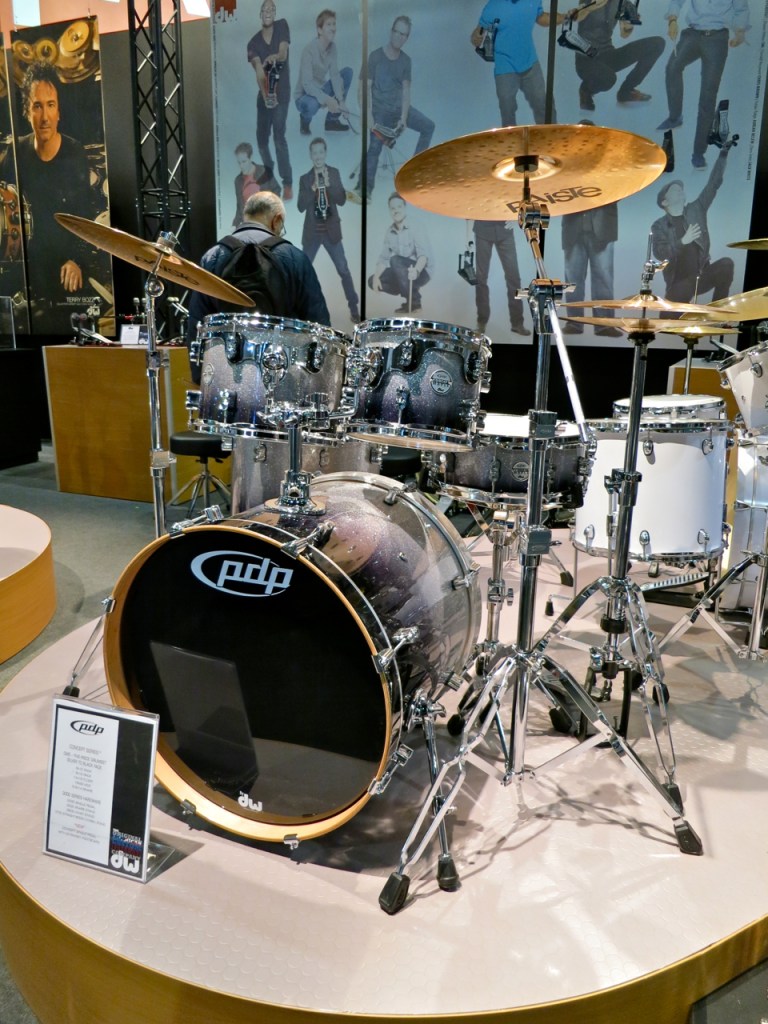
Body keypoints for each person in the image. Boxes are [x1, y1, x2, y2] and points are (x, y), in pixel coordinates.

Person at [186, 191, 330, 380]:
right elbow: (318, 325)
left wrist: (200, 378)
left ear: (246, 215)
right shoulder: (295, 258)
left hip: (226, 377)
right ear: (277, 220)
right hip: (282, 377)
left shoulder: (213, 256)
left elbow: (197, 323)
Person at [15, 61, 96, 325]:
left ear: (59, 111)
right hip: (27, 272)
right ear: (27, 111)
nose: (44, 117)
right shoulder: (15, 154)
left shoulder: (75, 154)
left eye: (50, 105)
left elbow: (86, 218)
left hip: (65, 268)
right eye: (37, 106)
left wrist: (77, 260)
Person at [349, 15, 434, 204]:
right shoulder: (375, 57)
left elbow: (406, 91)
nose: (398, 37)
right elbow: (363, 88)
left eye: (403, 34)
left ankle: (413, 174)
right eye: (396, 32)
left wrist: (403, 118)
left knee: (428, 126)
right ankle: (363, 190)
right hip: (379, 111)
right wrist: (368, 115)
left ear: (407, 38)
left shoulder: (406, 61)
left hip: (398, 109)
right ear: (391, 32)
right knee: (374, 147)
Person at [657, 0, 750, 169]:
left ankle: (698, 153)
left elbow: (741, 9)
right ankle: (675, 117)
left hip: (717, 39)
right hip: (692, 34)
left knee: (708, 95)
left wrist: (740, 32)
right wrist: (672, 20)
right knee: (672, 68)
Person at [469, 1, 589, 126]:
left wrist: (566, 17)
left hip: (530, 62)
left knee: (544, 105)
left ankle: (550, 135)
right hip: (505, 66)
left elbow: (541, 17)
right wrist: (475, 38)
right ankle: (511, 138)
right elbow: (478, 33)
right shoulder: (493, 7)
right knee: (507, 108)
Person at [650, 146, 733, 303]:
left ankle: (717, 311)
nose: (680, 190)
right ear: (664, 202)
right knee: (668, 317)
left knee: (726, 264)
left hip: (701, 276)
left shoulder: (696, 209)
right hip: (678, 284)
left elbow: (713, 184)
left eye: (681, 189)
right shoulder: (659, 225)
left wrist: (723, 154)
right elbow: (660, 253)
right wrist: (683, 241)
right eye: (675, 190)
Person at [297, 137, 360, 324]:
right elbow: (300, 206)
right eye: (314, 152)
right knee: (301, 271)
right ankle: (297, 309)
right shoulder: (305, 179)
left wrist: (329, 184)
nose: (318, 156)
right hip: (312, 232)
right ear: (310, 155)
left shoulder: (334, 173)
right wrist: (312, 189)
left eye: (321, 152)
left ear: (325, 153)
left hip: (331, 232)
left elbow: (341, 200)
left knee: (343, 269)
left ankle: (354, 308)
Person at [573, 0, 664, 111]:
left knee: (657, 43)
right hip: (586, 60)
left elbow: (624, 34)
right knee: (609, 78)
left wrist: (628, 25)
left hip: (608, 55)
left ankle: (626, 91)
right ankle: (586, 89)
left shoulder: (622, 3)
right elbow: (577, 17)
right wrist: (589, 7)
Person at [247, 0, 293, 200]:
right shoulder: (253, 43)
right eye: (264, 9)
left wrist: (274, 57)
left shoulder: (282, 26)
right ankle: (269, 171)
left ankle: (287, 182)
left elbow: (283, 53)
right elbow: (259, 71)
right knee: (261, 139)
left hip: (282, 94)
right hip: (265, 95)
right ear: (260, 14)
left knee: (279, 138)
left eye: (271, 9)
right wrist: (266, 96)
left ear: (274, 13)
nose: (268, 12)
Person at [368, 192, 432, 314]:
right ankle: (406, 290)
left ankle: (414, 302)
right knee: (372, 280)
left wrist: (416, 270)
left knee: (395, 260)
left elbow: (423, 256)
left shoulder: (416, 226)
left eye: (399, 207)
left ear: (405, 208)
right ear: (389, 210)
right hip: (402, 272)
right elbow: (383, 258)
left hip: (421, 271)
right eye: (392, 208)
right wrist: (376, 277)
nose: (396, 211)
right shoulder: (389, 232)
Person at [294, 10, 352, 136]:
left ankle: (332, 121)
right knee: (311, 104)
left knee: (347, 73)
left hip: (321, 89)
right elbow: (307, 84)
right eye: (328, 25)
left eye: (334, 24)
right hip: (304, 96)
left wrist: (341, 101)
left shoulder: (333, 47)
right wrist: (328, 99)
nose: (333, 28)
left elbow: (335, 76)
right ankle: (305, 119)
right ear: (319, 30)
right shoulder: (308, 50)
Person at [473, 220, 529, 337]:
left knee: (514, 277)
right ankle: (481, 322)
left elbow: (518, 206)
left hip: (505, 230)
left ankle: (517, 323)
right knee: (481, 278)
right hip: (482, 229)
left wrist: (515, 218)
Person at [231, 143, 266, 227]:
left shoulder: (264, 171)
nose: (241, 166)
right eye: (239, 162)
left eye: (244, 161)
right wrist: (235, 224)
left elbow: (276, 192)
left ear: (251, 158)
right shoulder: (238, 181)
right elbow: (239, 206)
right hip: (248, 225)